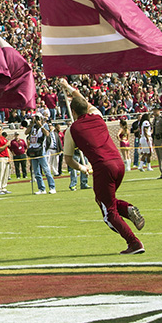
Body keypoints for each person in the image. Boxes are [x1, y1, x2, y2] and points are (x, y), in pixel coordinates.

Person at [58, 79, 146, 255]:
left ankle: (134, 243)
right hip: (118, 163)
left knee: (109, 213)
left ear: (73, 111)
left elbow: (68, 159)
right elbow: (81, 99)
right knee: (105, 200)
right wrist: (68, 87)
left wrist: (83, 168)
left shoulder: (72, 130)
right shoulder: (97, 114)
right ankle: (127, 209)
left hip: (103, 167)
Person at [27, 116, 56, 194]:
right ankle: (41, 188)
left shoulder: (44, 125)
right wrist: (31, 124)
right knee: (36, 171)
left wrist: (41, 125)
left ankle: (52, 187)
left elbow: (47, 133)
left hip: (40, 149)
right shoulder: (33, 126)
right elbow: (26, 132)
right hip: (33, 149)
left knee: (46, 169)